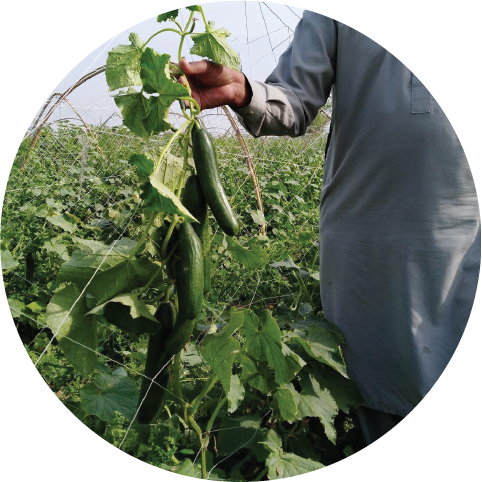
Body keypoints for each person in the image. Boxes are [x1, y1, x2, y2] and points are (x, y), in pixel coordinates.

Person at [179, 10, 480, 446]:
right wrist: (244, 91)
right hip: (366, 239)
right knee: (382, 392)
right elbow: (294, 99)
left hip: (467, 228)